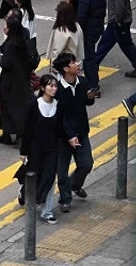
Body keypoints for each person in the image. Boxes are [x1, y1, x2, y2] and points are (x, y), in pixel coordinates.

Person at [53, 52, 96, 212]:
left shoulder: (83, 82)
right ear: (65, 69)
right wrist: (70, 135)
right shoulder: (57, 91)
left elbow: (86, 103)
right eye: (73, 63)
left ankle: (75, 185)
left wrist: (90, 97)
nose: (78, 64)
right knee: (62, 170)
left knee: (86, 164)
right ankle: (65, 199)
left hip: (82, 131)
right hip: (63, 136)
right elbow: (60, 117)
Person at [17, 74, 61, 223]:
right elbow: (27, 129)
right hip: (36, 149)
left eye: (55, 86)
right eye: (50, 86)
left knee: (49, 178)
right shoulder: (34, 104)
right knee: (34, 177)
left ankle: (47, 211)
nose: (54, 89)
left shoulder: (58, 105)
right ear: (43, 88)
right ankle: (24, 192)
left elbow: (61, 127)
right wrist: (23, 151)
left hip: (52, 149)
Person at [90, 0, 136, 82]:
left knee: (124, 45)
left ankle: (93, 64)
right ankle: (94, 63)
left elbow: (119, 6)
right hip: (118, 21)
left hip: (119, 22)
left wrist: (117, 21)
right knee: (108, 42)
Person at [0, 15, 33, 145]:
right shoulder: (21, 42)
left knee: (8, 108)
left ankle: (10, 134)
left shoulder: (11, 46)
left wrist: (0, 58)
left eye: (6, 26)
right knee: (19, 108)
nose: (4, 28)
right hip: (22, 80)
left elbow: (5, 63)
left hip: (9, 82)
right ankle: (17, 135)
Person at [75, 0, 106, 93]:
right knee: (89, 56)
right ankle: (91, 83)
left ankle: (93, 86)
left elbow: (81, 18)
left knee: (89, 58)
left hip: (88, 31)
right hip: (97, 28)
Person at [46, 2, 82, 70]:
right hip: (74, 62)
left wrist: (53, 65)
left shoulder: (61, 30)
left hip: (63, 65)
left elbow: (57, 51)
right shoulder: (76, 26)